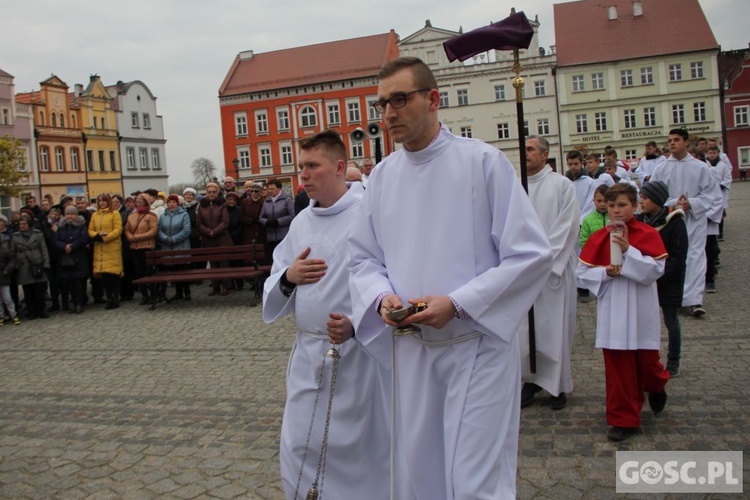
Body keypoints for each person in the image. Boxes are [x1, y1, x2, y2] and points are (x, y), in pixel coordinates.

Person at [348, 57, 552, 498]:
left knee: (473, 481)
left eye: (399, 99)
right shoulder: (381, 178)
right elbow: (363, 259)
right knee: (419, 476)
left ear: (434, 99)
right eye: (382, 103)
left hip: (474, 346)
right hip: (412, 351)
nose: (388, 114)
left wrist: (458, 303)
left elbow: (530, 253)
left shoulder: (482, 162)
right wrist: (381, 297)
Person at [263, 130, 390, 500]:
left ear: (337, 167)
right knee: (299, 441)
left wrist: (357, 322)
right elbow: (278, 276)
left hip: (359, 354)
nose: (302, 174)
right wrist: (289, 277)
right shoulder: (301, 221)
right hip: (308, 353)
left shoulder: (369, 214)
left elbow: (388, 276)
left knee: (357, 448)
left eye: (312, 166)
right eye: (300, 166)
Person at [577, 183, 670, 441]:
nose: (616, 210)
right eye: (612, 205)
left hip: (641, 308)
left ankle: (656, 384)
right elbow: (582, 273)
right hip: (614, 310)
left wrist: (629, 251)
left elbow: (655, 270)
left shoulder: (648, 233)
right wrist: (604, 272)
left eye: (622, 205)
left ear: (635, 206)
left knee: (647, 363)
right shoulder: (598, 237)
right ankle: (624, 419)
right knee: (619, 367)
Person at [519, 136, 580, 411]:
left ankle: (556, 385)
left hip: (553, 270)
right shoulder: (515, 186)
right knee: (525, 330)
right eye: (524, 149)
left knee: (554, 328)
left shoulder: (562, 185)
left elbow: (567, 227)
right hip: (522, 271)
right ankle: (529, 380)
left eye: (531, 149)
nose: (526, 153)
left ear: (545, 155)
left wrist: (544, 260)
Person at [650, 128, 723, 317]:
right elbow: (655, 195)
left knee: (695, 257)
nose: (672, 143)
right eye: (670, 140)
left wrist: (692, 203)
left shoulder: (700, 167)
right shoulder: (661, 168)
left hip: (693, 219)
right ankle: (673, 296)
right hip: (671, 220)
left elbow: (712, 193)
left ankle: (694, 299)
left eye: (676, 140)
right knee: (672, 257)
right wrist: (675, 204)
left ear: (686, 143)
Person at [637, 181, 687, 377]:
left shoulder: (674, 222)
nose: (641, 201)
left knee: (670, 321)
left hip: (668, 281)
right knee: (645, 322)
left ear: (657, 200)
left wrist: (659, 277)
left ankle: (673, 359)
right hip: (645, 280)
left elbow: (678, 256)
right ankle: (647, 360)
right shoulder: (640, 221)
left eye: (645, 198)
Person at [196, 182, 232, 296]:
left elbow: (225, 221)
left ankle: (226, 286)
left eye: (213, 192)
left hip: (222, 238)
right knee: (213, 264)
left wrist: (215, 231)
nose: (211, 194)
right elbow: (199, 223)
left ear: (217, 192)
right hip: (208, 239)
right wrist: (208, 232)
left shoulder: (222, 205)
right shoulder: (202, 206)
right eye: (209, 192)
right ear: (206, 193)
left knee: (224, 263)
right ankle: (215, 286)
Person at [88, 193, 123, 310]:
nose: (102, 203)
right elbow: (91, 229)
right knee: (106, 276)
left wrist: (106, 237)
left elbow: (118, 229)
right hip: (100, 248)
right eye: (100, 201)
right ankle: (109, 298)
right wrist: (97, 236)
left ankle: (116, 298)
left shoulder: (114, 213)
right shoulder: (95, 215)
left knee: (114, 274)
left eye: (104, 201)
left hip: (112, 246)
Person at [12, 215, 50, 319]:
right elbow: (13, 252)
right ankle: (31, 311)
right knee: (28, 291)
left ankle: (41, 310)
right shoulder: (16, 236)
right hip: (23, 266)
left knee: (39, 290)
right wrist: (15, 265)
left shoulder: (38, 234)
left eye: (24, 224)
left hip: (36, 263)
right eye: (20, 224)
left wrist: (46, 263)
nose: (22, 226)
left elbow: (44, 249)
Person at [125, 194, 159, 308]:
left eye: (141, 201)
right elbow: (127, 229)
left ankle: (153, 294)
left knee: (149, 273)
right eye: (137, 200)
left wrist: (137, 237)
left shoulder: (151, 215)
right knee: (139, 273)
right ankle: (144, 295)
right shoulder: (131, 216)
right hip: (135, 248)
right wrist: (130, 236)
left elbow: (153, 231)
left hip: (147, 247)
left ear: (146, 202)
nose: (138, 202)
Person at [55, 205, 90, 314]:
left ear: (76, 215)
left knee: (79, 283)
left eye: (72, 214)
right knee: (70, 283)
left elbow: (83, 238)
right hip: (66, 258)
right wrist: (64, 246)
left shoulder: (81, 225)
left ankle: (80, 304)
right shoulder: (61, 226)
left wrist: (72, 246)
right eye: (68, 214)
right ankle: (74, 304)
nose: (70, 216)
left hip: (78, 257)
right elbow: (56, 240)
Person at [157, 194, 192, 301]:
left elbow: (186, 230)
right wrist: (166, 238)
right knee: (173, 272)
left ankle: (187, 292)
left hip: (181, 246)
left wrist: (174, 239)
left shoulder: (184, 214)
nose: (171, 205)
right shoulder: (163, 216)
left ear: (178, 204)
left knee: (183, 271)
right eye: (169, 202)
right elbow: (159, 230)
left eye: (174, 202)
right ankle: (178, 293)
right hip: (167, 247)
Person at [259, 179, 295, 260]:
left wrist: (278, 222)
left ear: (279, 189)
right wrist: (266, 222)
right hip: (271, 236)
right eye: (269, 189)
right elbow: (261, 217)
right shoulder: (266, 201)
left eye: (272, 189)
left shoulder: (287, 200)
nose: (270, 191)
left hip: (284, 235)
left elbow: (292, 215)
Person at [0, 215, 20, 325]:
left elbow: (12, 256)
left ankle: (13, 313)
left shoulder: (9, 237)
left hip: (5, 271)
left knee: (8, 296)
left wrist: (7, 269)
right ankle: (2, 315)